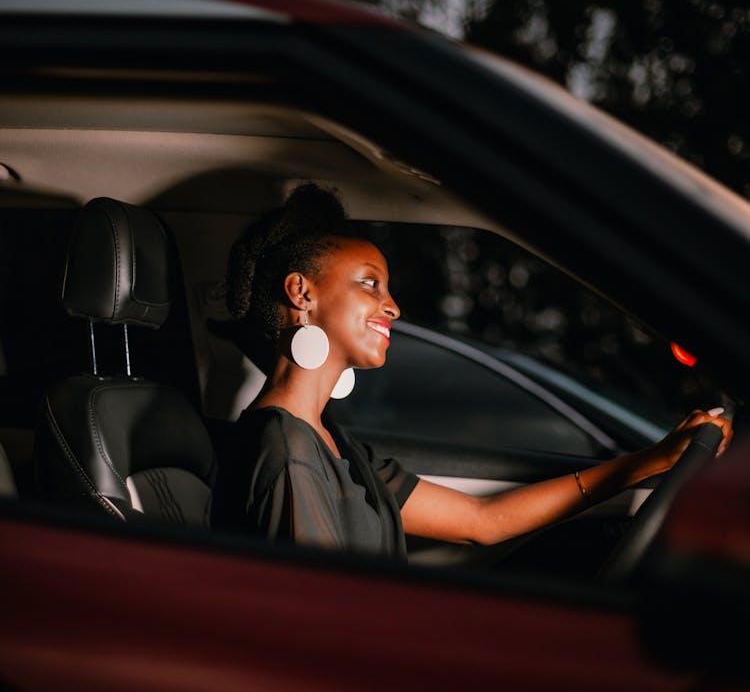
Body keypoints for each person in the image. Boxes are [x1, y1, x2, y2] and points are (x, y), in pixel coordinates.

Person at [212, 183, 733, 561]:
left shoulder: (333, 443)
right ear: (302, 293)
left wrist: (647, 463)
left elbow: (481, 523)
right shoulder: (285, 453)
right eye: (371, 284)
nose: (392, 307)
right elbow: (320, 629)